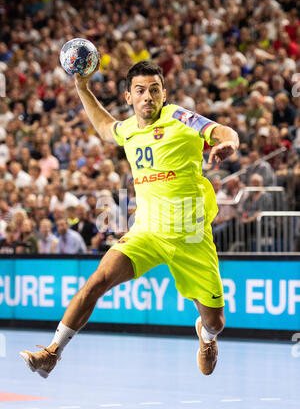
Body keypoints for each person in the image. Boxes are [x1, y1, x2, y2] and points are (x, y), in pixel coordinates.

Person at [20, 60, 239, 378]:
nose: (148, 96)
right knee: (96, 281)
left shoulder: (179, 117)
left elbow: (221, 130)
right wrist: (82, 88)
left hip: (191, 236)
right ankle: (53, 352)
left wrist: (229, 142)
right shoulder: (129, 131)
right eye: (140, 91)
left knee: (215, 322)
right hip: (147, 232)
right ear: (128, 97)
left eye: (154, 90)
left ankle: (207, 339)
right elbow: (105, 127)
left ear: (164, 94)